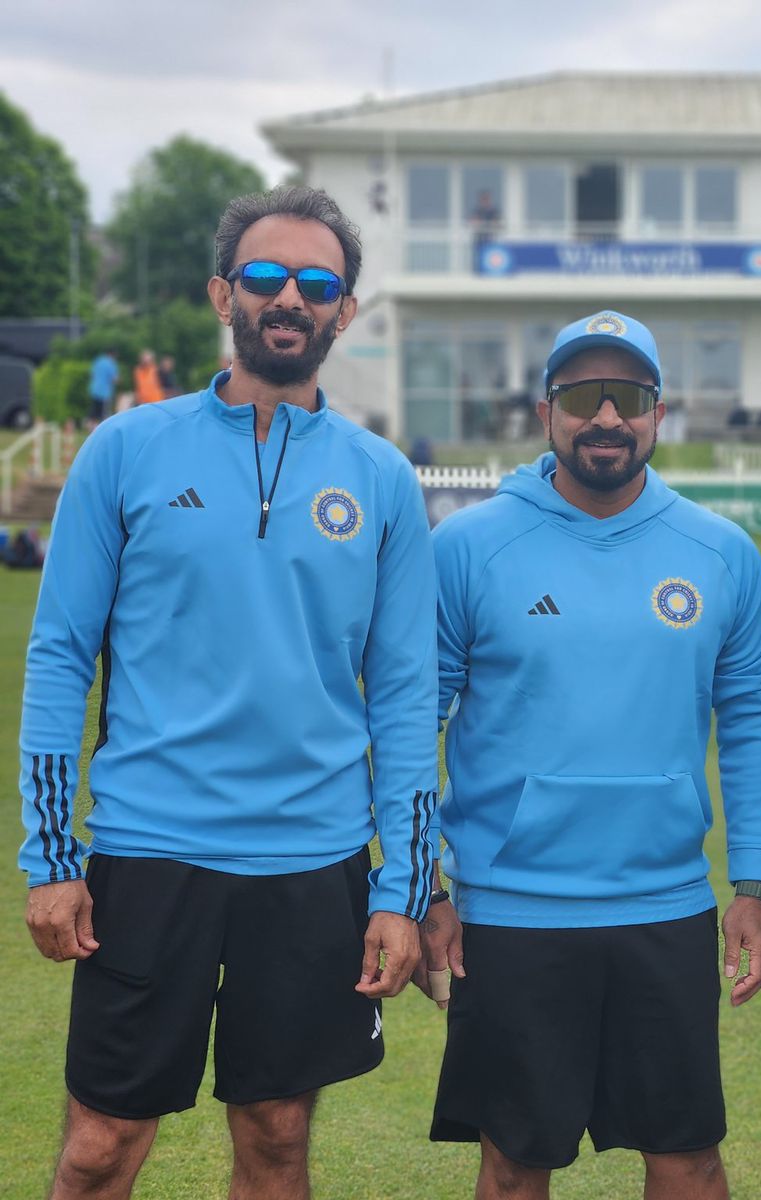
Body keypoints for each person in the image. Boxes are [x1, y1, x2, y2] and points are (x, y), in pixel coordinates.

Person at [19, 185, 440, 1200]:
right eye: (264, 276)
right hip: (147, 854)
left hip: (312, 864)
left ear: (344, 310)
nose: (289, 298)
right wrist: (51, 856)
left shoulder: (381, 478)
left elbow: (403, 695)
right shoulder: (127, 450)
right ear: (223, 294)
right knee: (99, 1149)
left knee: (278, 1139)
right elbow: (60, 654)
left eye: (317, 284)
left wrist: (401, 889)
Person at [423, 309, 761, 1200]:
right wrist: (421, 888)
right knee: (515, 1165)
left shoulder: (720, 553)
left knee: (689, 1162)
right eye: (583, 395)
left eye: (627, 395)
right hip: (510, 913)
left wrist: (754, 883)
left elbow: (753, 721)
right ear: (546, 412)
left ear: (658, 412)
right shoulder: (467, 547)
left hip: (665, 907)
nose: (607, 416)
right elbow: (405, 727)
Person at [86, 350, 118, 426]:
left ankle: (90, 427)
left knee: (94, 412)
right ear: (113, 355)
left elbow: (92, 374)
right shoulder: (111, 363)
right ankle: (103, 428)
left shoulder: (98, 361)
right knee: (103, 414)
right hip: (104, 393)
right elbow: (114, 379)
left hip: (94, 390)